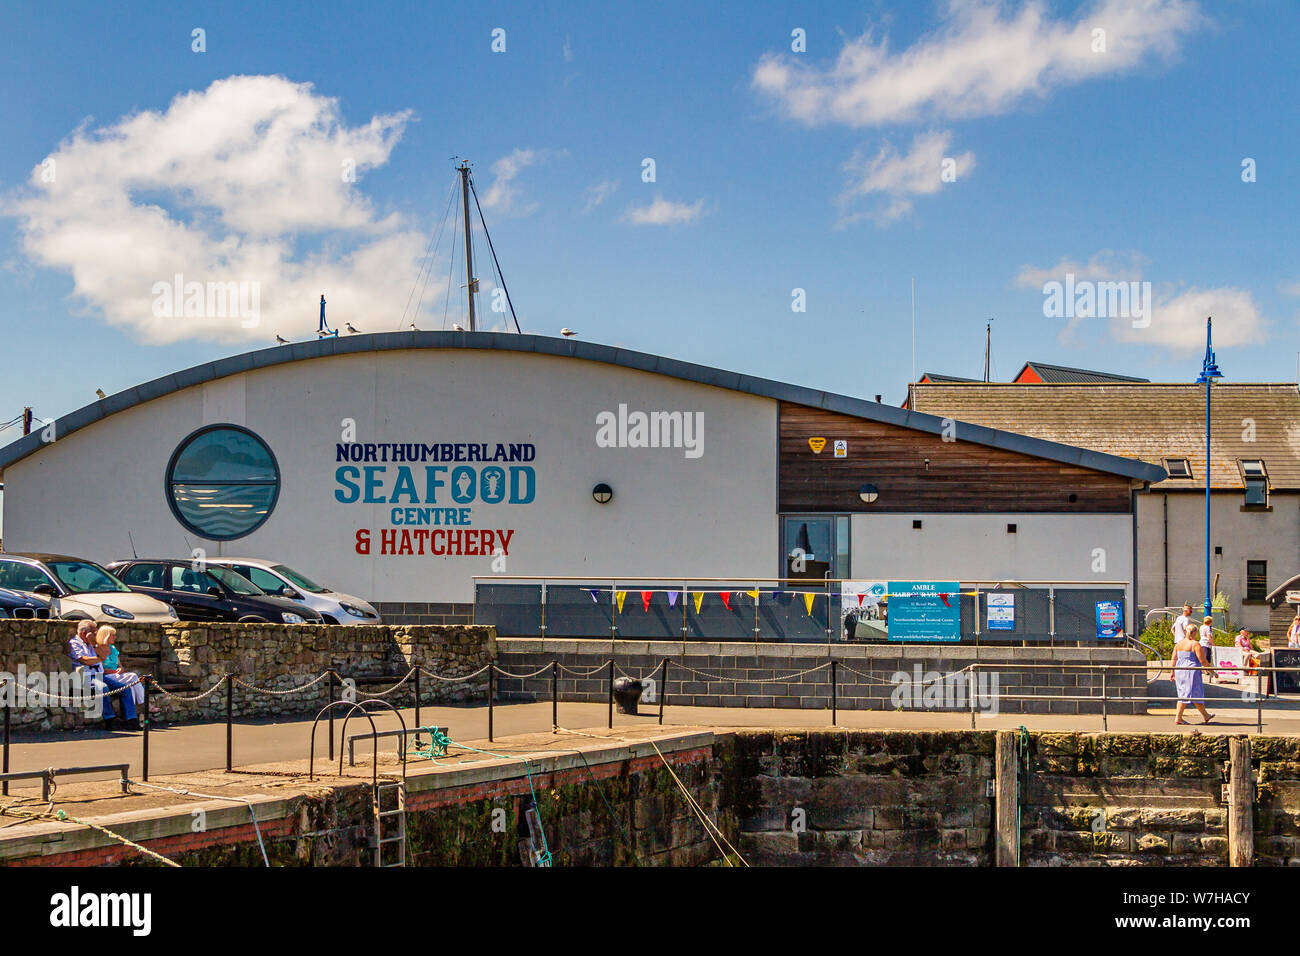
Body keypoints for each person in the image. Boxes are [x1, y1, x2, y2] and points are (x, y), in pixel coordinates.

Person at [67, 620, 138, 731]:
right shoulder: (74, 643)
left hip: (99, 675)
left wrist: (94, 644)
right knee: (103, 687)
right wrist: (99, 658)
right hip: (86, 677)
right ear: (85, 633)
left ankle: (131, 720)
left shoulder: (93, 643)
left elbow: (104, 655)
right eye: (94, 632)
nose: (96, 635)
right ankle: (110, 719)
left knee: (125, 688)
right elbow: (84, 660)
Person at [96, 625, 144, 710]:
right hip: (106, 677)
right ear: (106, 635)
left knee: (130, 686)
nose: (115, 637)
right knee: (133, 676)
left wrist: (121, 669)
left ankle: (130, 714)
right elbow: (100, 669)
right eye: (113, 635)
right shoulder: (97, 649)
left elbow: (120, 665)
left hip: (117, 676)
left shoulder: (112, 648)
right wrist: (114, 672)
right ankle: (145, 704)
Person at [1173, 629, 1214, 726]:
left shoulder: (1179, 644)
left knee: (1192, 693)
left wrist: (1172, 672)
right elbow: (1203, 661)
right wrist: (1213, 671)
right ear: (1194, 633)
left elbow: (1174, 658)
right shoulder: (1195, 644)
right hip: (1191, 671)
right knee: (1187, 694)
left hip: (1180, 670)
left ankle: (1206, 715)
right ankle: (1178, 718)